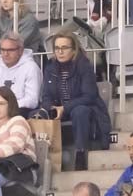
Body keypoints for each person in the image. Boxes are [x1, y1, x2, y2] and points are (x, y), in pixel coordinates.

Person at [41, 31, 111, 171]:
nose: (60, 52)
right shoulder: (50, 68)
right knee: (37, 113)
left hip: (86, 107)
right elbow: (46, 96)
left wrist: (65, 108)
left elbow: (89, 96)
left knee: (80, 111)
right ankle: (43, 160)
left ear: (74, 50)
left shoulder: (84, 66)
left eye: (64, 48)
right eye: (57, 48)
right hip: (61, 109)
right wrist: (52, 108)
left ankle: (81, 153)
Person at [0, 33, 43, 114]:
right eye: (3, 50)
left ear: (20, 50)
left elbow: (32, 100)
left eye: (10, 50)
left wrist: (6, 107)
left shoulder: (31, 68)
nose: (6, 54)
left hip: (20, 110)